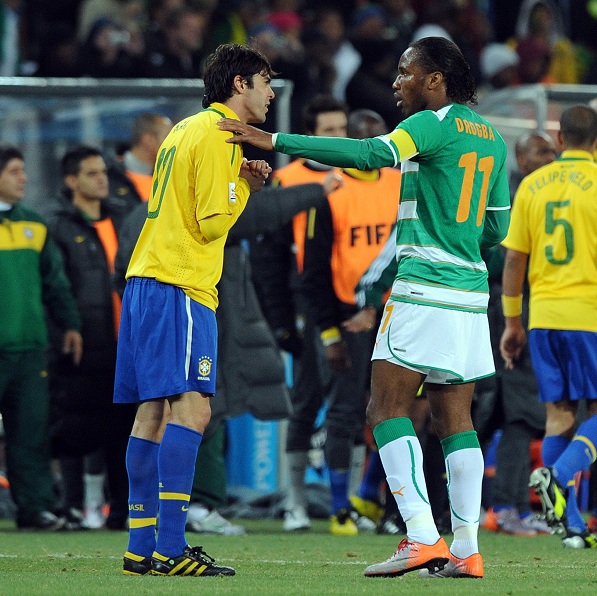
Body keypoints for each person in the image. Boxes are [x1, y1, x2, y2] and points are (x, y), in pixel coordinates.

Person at [218, 35, 511, 579]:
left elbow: (372, 154)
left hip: (422, 288)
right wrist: (458, 238)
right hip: (470, 295)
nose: (396, 83)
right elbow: (496, 228)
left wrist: (273, 138)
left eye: (406, 72)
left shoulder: (430, 124)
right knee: (456, 420)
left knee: (384, 410)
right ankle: (467, 548)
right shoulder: (491, 138)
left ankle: (421, 536)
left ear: (436, 80)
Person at [114, 42, 274, 577]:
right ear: (240, 85)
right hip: (180, 284)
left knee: (153, 413)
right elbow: (211, 224)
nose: (271, 93)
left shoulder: (184, 128)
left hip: (147, 279)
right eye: (265, 82)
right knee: (194, 411)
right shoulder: (221, 135)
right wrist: (246, 186)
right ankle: (172, 546)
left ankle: (141, 546)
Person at [247, 94, 345, 533]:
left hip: (352, 305)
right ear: (311, 136)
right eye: (328, 131)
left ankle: (351, 503)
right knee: (306, 401)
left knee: (355, 404)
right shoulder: (287, 180)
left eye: (342, 129)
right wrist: (281, 321)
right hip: (306, 305)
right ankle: (296, 502)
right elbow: (269, 260)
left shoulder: (364, 175)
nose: (338, 138)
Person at [500, 105, 597, 549]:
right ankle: (557, 475)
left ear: (560, 139)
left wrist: (512, 322)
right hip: (589, 315)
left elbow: (514, 258)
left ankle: (572, 525)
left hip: (542, 319)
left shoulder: (532, 185)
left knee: (559, 415)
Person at [301, 108, 401, 536]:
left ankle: (369, 496)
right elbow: (314, 273)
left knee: (396, 410)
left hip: (398, 315)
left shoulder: (402, 184)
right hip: (348, 319)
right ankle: (340, 508)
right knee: (344, 413)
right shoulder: (329, 192)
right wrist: (329, 334)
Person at [46, 146, 137, 531]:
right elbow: (55, 286)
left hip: (124, 343)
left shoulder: (123, 219)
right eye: (92, 173)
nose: (102, 180)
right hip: (82, 342)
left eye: (103, 172)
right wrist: (64, 332)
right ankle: (73, 506)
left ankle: (121, 510)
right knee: (75, 427)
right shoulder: (59, 227)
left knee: (123, 430)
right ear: (71, 181)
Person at [0, 145, 83, 530]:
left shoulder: (34, 225)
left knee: (31, 434)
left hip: (30, 351)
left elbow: (55, 282)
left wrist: (71, 324)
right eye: (15, 171)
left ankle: (35, 508)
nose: (24, 178)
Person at [480, 132, 556, 537]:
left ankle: (506, 507)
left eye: (552, 150)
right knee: (520, 414)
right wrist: (513, 319)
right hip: (509, 312)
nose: (551, 157)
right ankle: (505, 506)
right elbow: (498, 259)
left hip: (516, 310)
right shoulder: (513, 198)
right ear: (522, 158)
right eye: (542, 151)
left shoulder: (534, 194)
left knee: (498, 412)